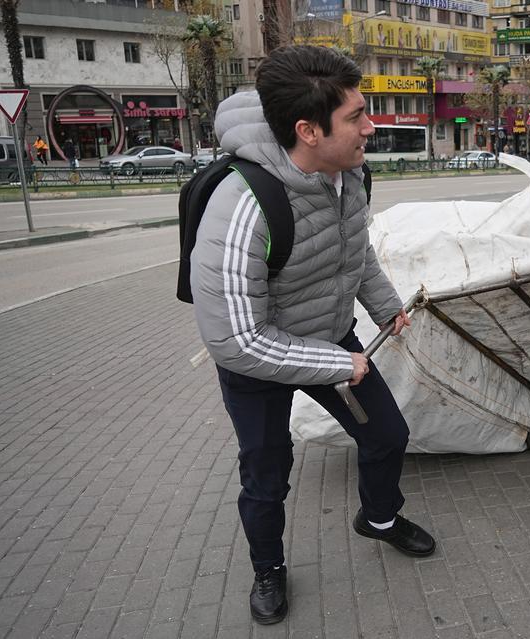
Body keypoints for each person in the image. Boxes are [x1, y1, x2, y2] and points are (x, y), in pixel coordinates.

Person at [188, 45, 435, 625]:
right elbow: (236, 341)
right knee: (268, 474)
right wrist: (335, 366)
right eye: (356, 117)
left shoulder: (347, 173)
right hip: (256, 364)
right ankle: (268, 568)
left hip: (328, 334)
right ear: (308, 130)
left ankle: (378, 518)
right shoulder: (244, 202)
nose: (370, 128)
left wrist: (385, 305)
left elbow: (355, 252)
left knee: (387, 435)